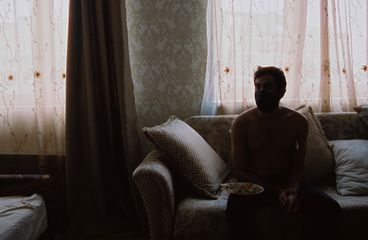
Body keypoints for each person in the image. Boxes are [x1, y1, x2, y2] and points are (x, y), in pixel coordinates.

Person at [226, 66, 341, 240]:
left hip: (289, 182)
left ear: (281, 91)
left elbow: (297, 167)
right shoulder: (241, 123)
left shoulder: (298, 122)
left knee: (331, 209)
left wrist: (292, 191)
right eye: (257, 87)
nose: (261, 92)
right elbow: (240, 171)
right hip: (255, 185)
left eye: (267, 87)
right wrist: (276, 192)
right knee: (235, 210)